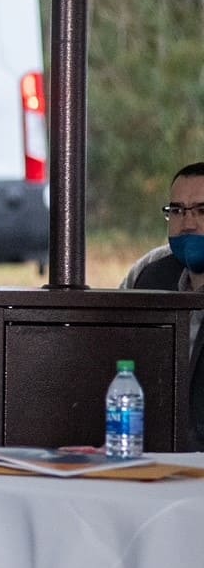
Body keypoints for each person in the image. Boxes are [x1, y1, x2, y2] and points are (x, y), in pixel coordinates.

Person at [119, 161, 204, 448]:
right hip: (154, 449)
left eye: (202, 211)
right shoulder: (149, 274)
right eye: (177, 211)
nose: (188, 223)